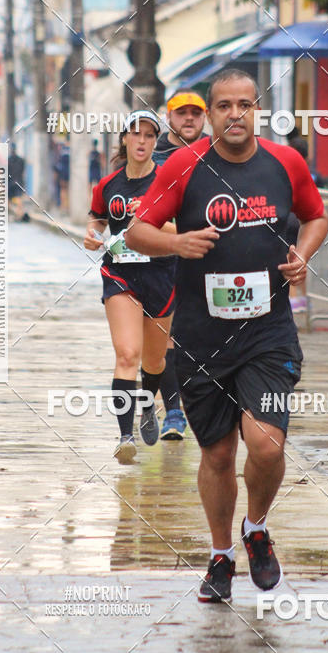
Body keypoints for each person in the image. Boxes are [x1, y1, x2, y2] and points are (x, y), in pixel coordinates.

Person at [126, 69, 328, 602]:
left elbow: (316, 217)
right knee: (216, 456)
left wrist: (302, 254)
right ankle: (220, 557)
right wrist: (178, 245)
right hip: (201, 335)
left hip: (268, 332)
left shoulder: (286, 163)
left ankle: (256, 528)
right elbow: (136, 232)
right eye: (223, 106)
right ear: (210, 114)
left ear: (256, 110)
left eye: (244, 104)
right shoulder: (183, 168)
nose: (234, 114)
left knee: (264, 443)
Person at [83, 111, 177, 465]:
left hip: (162, 273)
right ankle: (125, 436)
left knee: (154, 360)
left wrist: (150, 218)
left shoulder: (168, 182)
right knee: (127, 355)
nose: (142, 141)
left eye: (150, 135)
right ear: (124, 139)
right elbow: (97, 218)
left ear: (156, 142)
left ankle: (147, 406)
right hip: (120, 274)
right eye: (136, 134)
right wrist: (92, 235)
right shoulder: (108, 185)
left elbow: (181, 230)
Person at [151, 89, 208, 439]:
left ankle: (201, 405)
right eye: (181, 112)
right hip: (159, 260)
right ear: (168, 117)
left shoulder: (214, 153)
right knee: (164, 341)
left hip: (206, 258)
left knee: (198, 337)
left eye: (195, 113)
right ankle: (173, 412)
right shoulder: (152, 154)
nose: (189, 119)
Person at [285, 130, 325, 314]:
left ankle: (293, 299)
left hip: (289, 218)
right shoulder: (313, 173)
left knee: (290, 258)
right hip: (304, 220)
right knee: (301, 259)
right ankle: (305, 298)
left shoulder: (285, 168)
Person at [8, 143, 29, 222]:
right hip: (18, 182)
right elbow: (23, 172)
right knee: (19, 199)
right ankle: (18, 215)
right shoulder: (21, 160)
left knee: (9, 200)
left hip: (10, 182)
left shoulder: (8, 160)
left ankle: (13, 215)